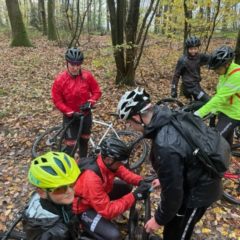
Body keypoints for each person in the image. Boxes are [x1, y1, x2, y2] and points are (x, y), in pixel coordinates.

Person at [117, 88, 222, 240]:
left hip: (200, 191)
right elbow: (183, 154)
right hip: (193, 174)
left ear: (137, 117)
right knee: (172, 226)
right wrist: (164, 178)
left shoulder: (164, 145)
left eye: (129, 122)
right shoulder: (169, 115)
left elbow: (173, 193)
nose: (131, 127)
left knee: (180, 233)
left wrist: (158, 220)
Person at [72, 137, 152, 240]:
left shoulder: (107, 162)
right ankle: (84, 229)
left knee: (126, 187)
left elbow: (123, 172)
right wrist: (134, 196)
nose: (121, 165)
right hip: (83, 209)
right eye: (119, 162)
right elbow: (107, 211)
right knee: (114, 235)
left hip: (97, 196)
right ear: (108, 159)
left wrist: (140, 181)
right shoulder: (91, 178)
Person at [51, 47, 102, 158]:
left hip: (86, 115)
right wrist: (70, 112)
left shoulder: (87, 76)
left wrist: (90, 102)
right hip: (71, 117)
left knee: (84, 141)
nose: (75, 67)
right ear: (67, 63)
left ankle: (83, 163)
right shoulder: (60, 80)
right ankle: (69, 169)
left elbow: (97, 91)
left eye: (78, 64)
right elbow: (57, 100)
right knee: (70, 146)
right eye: (72, 64)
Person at [23, 151, 81, 240]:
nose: (70, 191)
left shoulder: (56, 199)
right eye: (60, 188)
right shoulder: (55, 234)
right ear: (42, 192)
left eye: (72, 183)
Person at [194, 45, 240, 145]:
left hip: (234, 114)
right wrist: (214, 110)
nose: (216, 72)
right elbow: (221, 93)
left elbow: (220, 98)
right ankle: (226, 156)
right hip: (225, 110)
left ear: (227, 64)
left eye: (217, 69)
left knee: (214, 142)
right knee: (226, 144)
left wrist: (199, 113)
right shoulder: (224, 73)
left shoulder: (237, 75)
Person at [171, 36, 210, 103]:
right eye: (191, 49)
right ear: (187, 49)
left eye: (195, 49)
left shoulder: (199, 56)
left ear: (198, 48)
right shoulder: (183, 60)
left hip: (196, 85)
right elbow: (176, 75)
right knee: (207, 101)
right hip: (189, 87)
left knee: (198, 104)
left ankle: (191, 111)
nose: (193, 51)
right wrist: (174, 89)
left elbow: (211, 58)